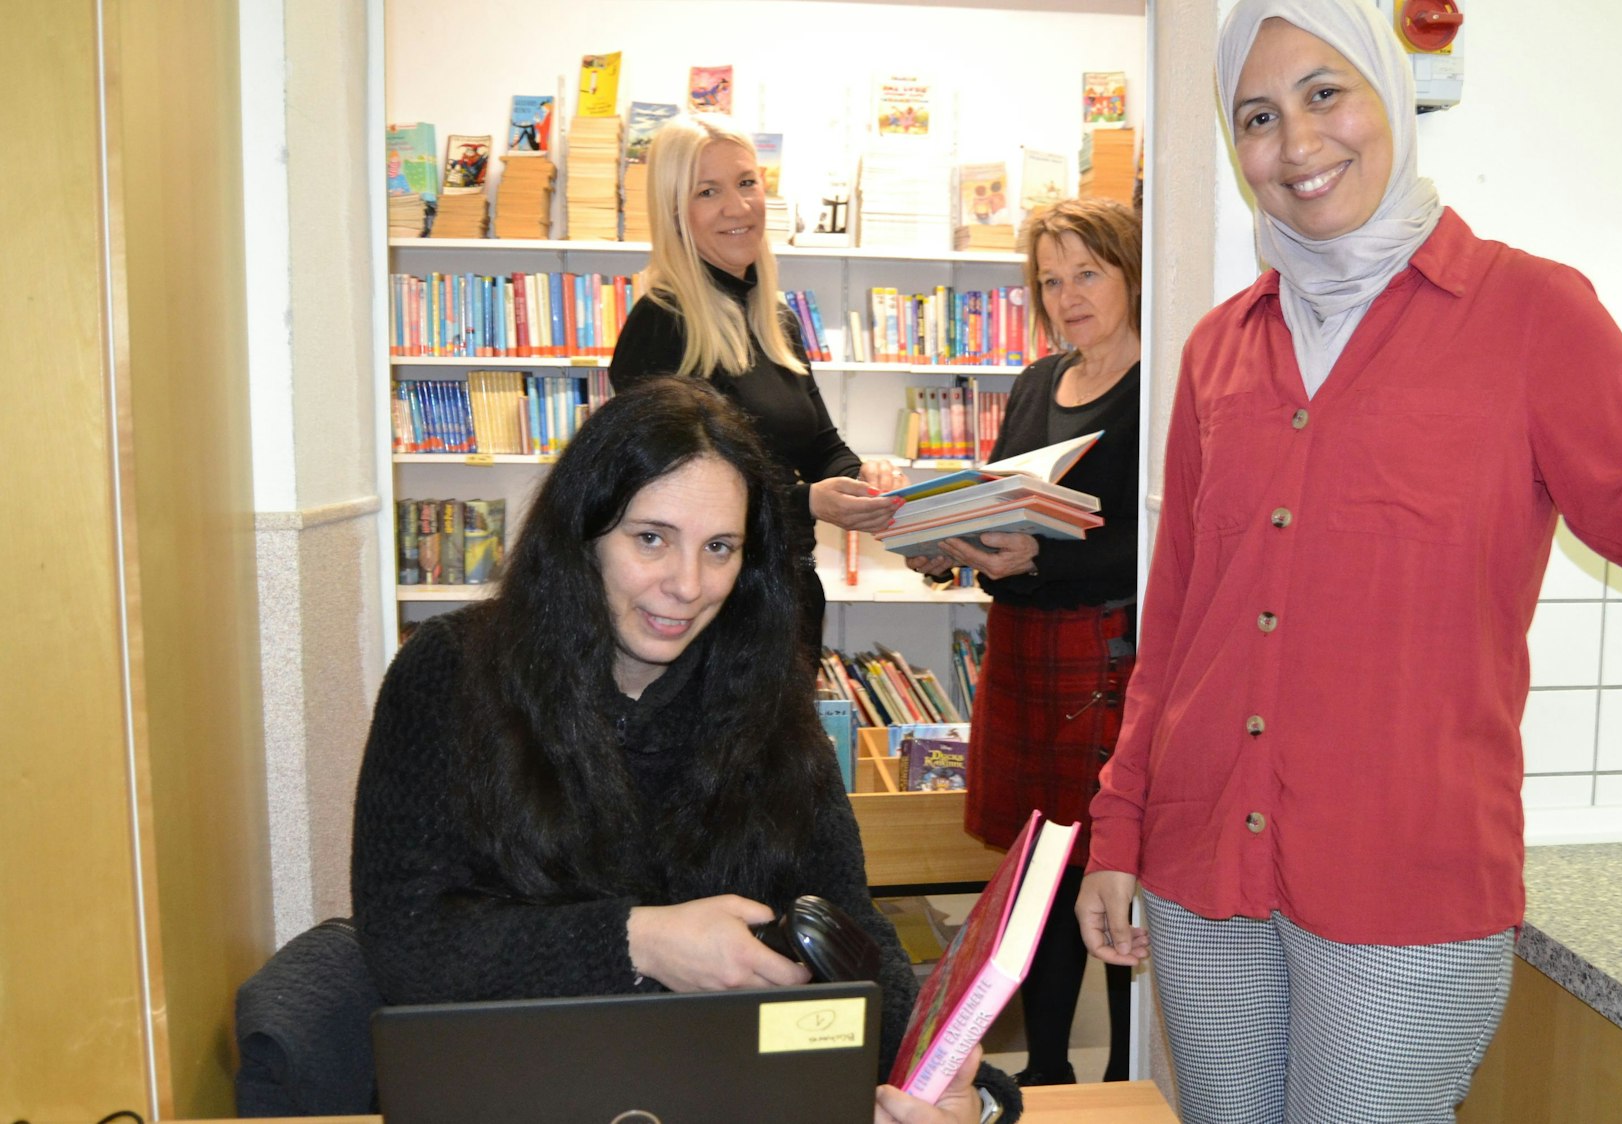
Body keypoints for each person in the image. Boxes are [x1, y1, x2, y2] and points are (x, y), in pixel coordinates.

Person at [1074, 2, 1622, 1121]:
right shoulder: (1221, 345)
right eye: (1259, 117)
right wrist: (1117, 826)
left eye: (1327, 93)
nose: (1298, 143)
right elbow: (1174, 622)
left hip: (1408, 884)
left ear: (1391, 95)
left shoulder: (1531, 312)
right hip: (1202, 866)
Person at [351, 378, 1017, 1124]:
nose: (688, 586)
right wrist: (639, 941)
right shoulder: (450, 674)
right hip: (509, 1098)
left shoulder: (768, 697)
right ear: (583, 533)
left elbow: (847, 932)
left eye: (720, 548)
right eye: (651, 539)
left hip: (723, 1098)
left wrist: (962, 1092)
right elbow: (407, 944)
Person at [903, 198, 1142, 1087]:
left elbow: (1152, 542)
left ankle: (1123, 1074)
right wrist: (949, 543)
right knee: (1034, 876)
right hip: (1023, 649)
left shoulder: (1157, 390)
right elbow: (1003, 503)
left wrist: (1038, 557)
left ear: (1129, 273)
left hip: (1106, 655)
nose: (1069, 296)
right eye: (1051, 280)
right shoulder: (1040, 382)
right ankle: (1045, 1072)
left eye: (1088, 273)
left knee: (1105, 870)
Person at [608, 112, 904, 642]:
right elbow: (666, 494)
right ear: (674, 211)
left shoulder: (775, 319)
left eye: (747, 183)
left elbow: (819, 444)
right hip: (704, 611)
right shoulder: (661, 324)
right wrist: (808, 501)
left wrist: (865, 481)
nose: (738, 207)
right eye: (707, 191)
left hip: (788, 597)